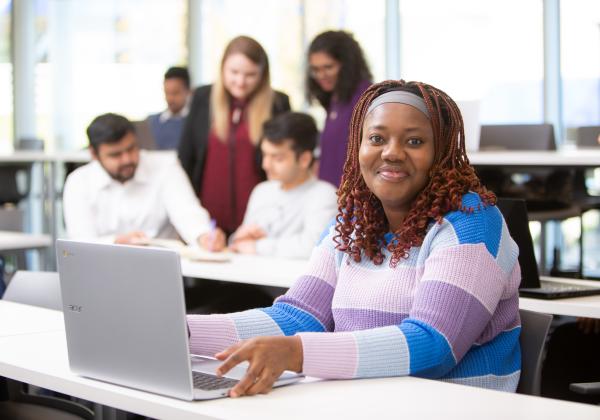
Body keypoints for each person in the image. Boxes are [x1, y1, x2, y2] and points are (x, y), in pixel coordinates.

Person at [187, 80, 522, 397]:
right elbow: (299, 317)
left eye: (415, 141)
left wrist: (299, 353)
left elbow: (435, 347)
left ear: (443, 153)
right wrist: (180, 330)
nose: (391, 152)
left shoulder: (472, 224)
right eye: (376, 139)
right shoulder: (351, 222)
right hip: (362, 400)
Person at [178, 36, 291, 236]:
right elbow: (187, 157)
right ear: (222, 69)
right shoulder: (202, 98)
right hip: (208, 221)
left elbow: (285, 163)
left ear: (262, 75)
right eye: (234, 72)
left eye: (250, 74)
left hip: (258, 223)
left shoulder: (278, 103)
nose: (240, 81)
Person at [63, 113, 225, 250]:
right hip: (102, 272)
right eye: (115, 155)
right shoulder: (78, 182)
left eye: (131, 148)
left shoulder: (165, 166)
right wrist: (116, 243)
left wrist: (203, 236)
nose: (127, 159)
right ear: (94, 154)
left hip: (160, 274)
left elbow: (187, 212)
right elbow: (80, 242)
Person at [230, 112, 337, 258]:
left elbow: (313, 246)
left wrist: (259, 246)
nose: (265, 165)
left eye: (277, 158)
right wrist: (238, 238)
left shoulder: (324, 195)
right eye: (264, 154)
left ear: (304, 159)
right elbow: (243, 246)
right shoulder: (261, 191)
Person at [307, 30, 372, 187]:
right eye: (315, 69)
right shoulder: (334, 100)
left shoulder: (366, 97)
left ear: (347, 65)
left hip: (353, 199)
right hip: (331, 196)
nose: (321, 75)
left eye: (328, 67)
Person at [147, 66, 191, 150]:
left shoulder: (196, 122)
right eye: (167, 92)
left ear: (188, 91)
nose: (170, 98)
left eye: (175, 93)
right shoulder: (151, 122)